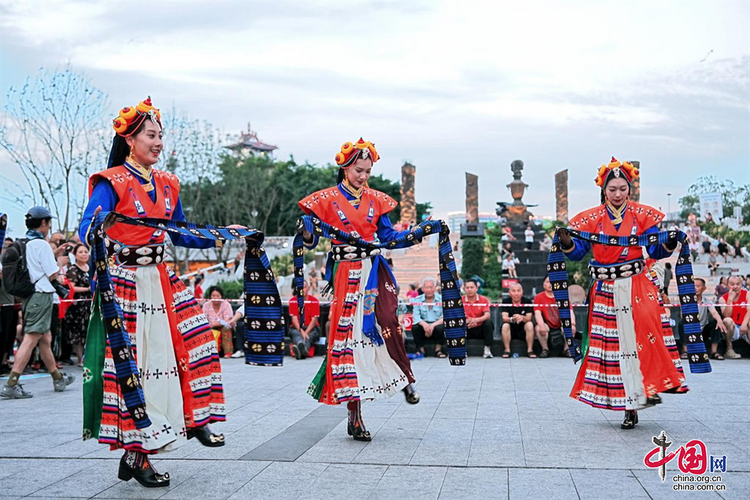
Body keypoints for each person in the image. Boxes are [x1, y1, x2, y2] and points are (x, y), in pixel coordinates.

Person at [78, 98, 226, 488]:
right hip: (128, 283)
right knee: (138, 369)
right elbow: (88, 225)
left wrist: (226, 234)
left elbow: (178, 231)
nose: (158, 142)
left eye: (161, 135)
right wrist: (96, 234)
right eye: (150, 135)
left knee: (193, 348)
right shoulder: (112, 181)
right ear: (129, 139)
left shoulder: (168, 183)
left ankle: (193, 418)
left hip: (162, 280)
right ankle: (137, 454)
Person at [299, 138, 421, 442]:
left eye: (367, 171)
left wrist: (416, 234)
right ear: (344, 167)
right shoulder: (324, 201)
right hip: (345, 273)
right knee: (349, 337)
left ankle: (405, 378)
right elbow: (310, 239)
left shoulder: (377, 200)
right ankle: (354, 415)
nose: (363, 176)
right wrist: (306, 231)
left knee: (389, 322)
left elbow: (389, 235)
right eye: (358, 170)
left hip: (374, 272)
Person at [558, 157, 686, 430]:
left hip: (636, 285)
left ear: (630, 189)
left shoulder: (644, 216)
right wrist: (567, 241)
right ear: (604, 190)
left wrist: (670, 241)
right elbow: (578, 253)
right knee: (611, 348)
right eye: (612, 189)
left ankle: (635, 402)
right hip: (605, 289)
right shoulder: (590, 219)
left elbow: (655, 250)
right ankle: (623, 400)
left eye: (622, 189)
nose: (617, 194)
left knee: (637, 344)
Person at [1, 207, 75, 399]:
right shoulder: (41, 245)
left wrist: (53, 255)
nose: (49, 226)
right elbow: (53, 274)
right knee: (32, 337)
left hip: (29, 295)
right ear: (43, 223)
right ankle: (11, 383)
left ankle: (58, 378)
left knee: (45, 338)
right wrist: (59, 262)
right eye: (48, 223)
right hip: (41, 295)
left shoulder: (24, 242)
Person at [533, 276, 576, 358]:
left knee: (570, 327)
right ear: (544, 285)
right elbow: (537, 313)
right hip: (546, 323)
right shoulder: (538, 297)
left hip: (561, 323)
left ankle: (566, 349)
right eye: (548, 282)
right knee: (538, 328)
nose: (551, 284)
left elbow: (570, 311)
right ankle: (545, 349)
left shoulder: (563, 296)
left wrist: (573, 324)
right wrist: (541, 325)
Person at [63, 243, 92, 366]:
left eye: (86, 252)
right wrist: (88, 289)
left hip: (89, 304)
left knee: (88, 330)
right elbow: (72, 288)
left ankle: (88, 356)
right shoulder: (73, 269)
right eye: (80, 252)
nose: (84, 254)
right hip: (77, 305)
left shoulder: (91, 268)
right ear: (75, 255)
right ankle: (80, 359)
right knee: (78, 333)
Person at [691, 278, 730, 360]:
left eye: (698, 286)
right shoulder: (686, 301)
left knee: (715, 322)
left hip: (703, 330)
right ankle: (685, 351)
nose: (695, 288)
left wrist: (719, 321)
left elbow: (714, 312)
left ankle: (714, 352)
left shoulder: (707, 301)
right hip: (690, 330)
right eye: (692, 286)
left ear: (704, 288)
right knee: (681, 323)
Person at [410, 277, 445, 358]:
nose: (429, 290)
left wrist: (432, 326)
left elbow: (444, 317)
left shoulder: (441, 299)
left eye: (431, 287)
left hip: (436, 325)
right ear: (422, 289)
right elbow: (416, 316)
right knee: (415, 328)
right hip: (423, 325)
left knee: (441, 328)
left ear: (435, 288)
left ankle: (438, 350)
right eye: (427, 287)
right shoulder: (417, 300)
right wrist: (424, 325)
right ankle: (420, 350)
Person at [288, 280, 321, 359]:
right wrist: (302, 331)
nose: (302, 290)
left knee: (310, 335)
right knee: (296, 334)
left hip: (311, 328)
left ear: (308, 288)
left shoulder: (314, 301)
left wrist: (306, 332)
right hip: (297, 327)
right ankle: (303, 349)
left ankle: (300, 350)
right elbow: (294, 319)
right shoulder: (292, 301)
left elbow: (314, 320)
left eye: (304, 287)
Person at [718, 275, 749, 359]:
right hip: (733, 328)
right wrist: (730, 299)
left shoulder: (747, 294)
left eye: (738, 284)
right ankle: (729, 349)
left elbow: (749, 310)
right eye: (732, 284)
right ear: (727, 285)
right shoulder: (722, 299)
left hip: (746, 326)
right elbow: (727, 315)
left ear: (741, 284)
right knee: (727, 320)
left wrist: (744, 324)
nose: (735, 286)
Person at [501, 283, 534, 358]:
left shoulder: (527, 301)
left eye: (518, 291)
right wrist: (513, 319)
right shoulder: (506, 301)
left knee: (530, 324)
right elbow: (504, 318)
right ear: (509, 292)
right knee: (505, 325)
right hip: (511, 327)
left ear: (522, 292)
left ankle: (530, 350)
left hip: (523, 328)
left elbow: (529, 318)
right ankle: (507, 350)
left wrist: (521, 317)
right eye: (513, 291)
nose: (516, 293)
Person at [463, 278, 493, 358]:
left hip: (479, 327)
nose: (469, 290)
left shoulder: (484, 299)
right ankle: (461, 350)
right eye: (467, 287)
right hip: (467, 326)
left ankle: (487, 349)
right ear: (464, 289)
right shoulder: (460, 300)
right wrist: (467, 321)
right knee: (457, 324)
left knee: (488, 323)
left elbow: (487, 315)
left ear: (477, 288)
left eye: (472, 287)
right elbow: (456, 315)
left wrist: (476, 320)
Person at [203, 285, 235, 358]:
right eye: (213, 296)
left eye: (217, 296)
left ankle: (228, 352)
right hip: (210, 326)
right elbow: (203, 318)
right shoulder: (206, 305)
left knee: (226, 329)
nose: (215, 298)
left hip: (224, 326)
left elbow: (228, 319)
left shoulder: (226, 304)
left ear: (221, 296)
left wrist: (214, 324)